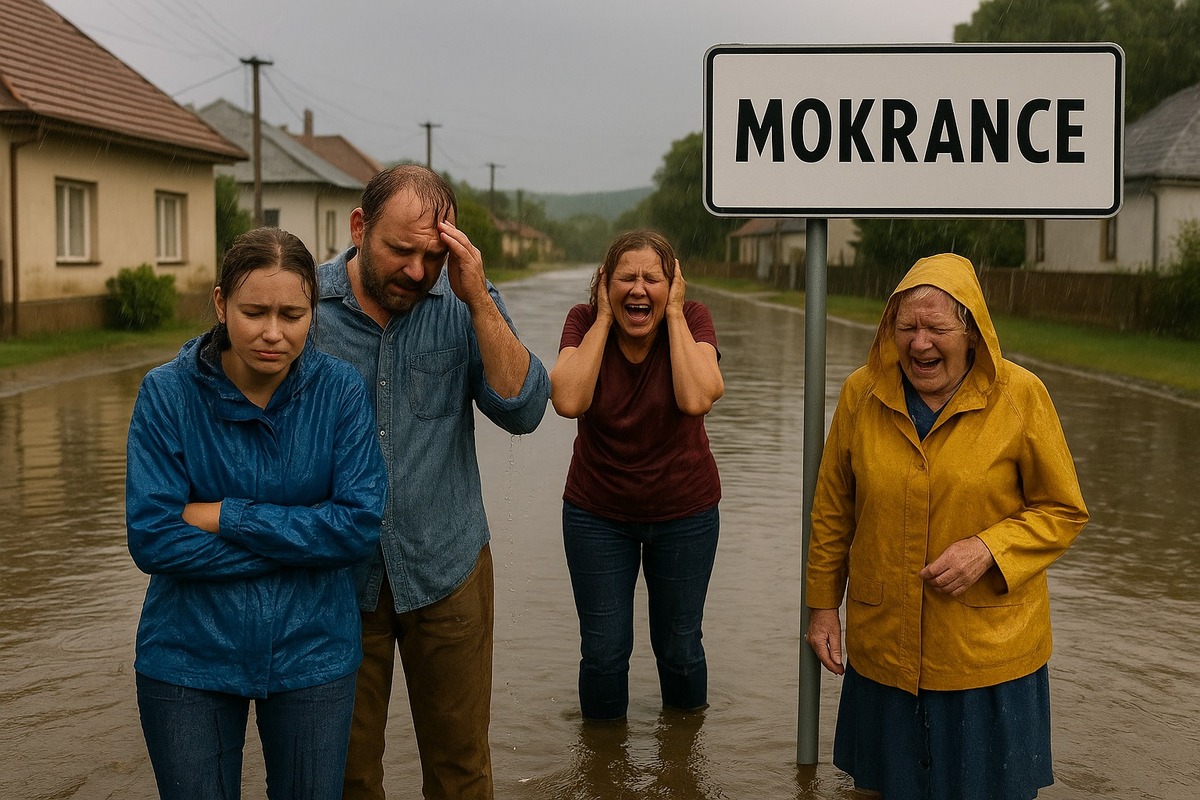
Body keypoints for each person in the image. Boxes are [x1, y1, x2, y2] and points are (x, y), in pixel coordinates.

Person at [804, 253, 1089, 799]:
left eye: (936, 327)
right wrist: (822, 607)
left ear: (973, 333)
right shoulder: (859, 395)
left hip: (989, 660)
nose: (919, 343)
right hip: (884, 647)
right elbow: (833, 512)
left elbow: (1063, 509)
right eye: (906, 327)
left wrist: (990, 548)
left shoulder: (1022, 396)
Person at [310, 165, 550, 800]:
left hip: (447, 567)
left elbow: (524, 409)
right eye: (400, 249)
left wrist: (475, 299)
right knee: (345, 773)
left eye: (434, 255)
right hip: (335, 579)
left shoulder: (465, 301)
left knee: (460, 770)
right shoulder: (304, 308)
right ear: (359, 227)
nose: (418, 271)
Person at [125, 227, 388, 800]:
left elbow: (359, 527)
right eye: (254, 312)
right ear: (220, 303)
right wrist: (300, 545)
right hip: (186, 657)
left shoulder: (341, 392)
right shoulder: (166, 395)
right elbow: (153, 539)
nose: (274, 333)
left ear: (313, 312)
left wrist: (228, 515)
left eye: (293, 315)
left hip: (313, 652)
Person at [550, 229, 725, 721]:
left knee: (680, 649)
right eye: (626, 278)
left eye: (654, 278)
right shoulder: (583, 321)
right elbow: (567, 399)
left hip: (685, 512)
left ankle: (685, 763)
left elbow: (697, 398)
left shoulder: (692, 319)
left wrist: (673, 316)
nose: (639, 289)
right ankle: (603, 769)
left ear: (674, 285)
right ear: (605, 284)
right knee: (603, 655)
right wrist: (603, 318)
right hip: (596, 514)